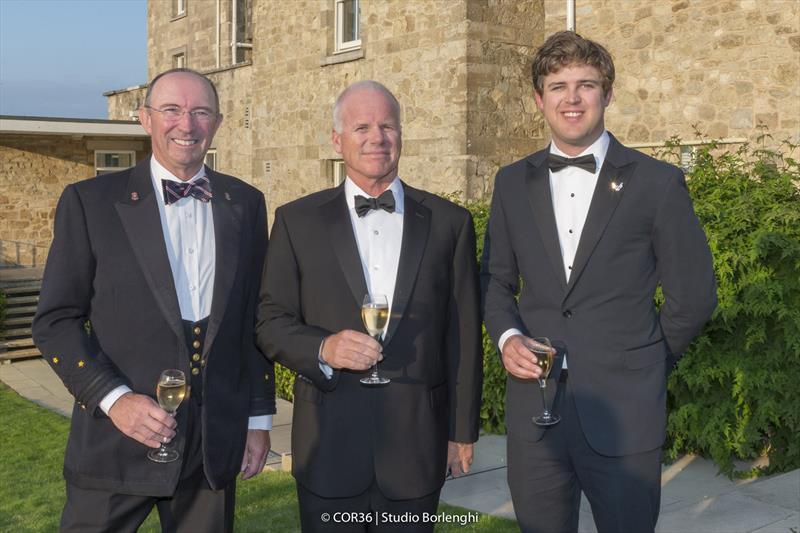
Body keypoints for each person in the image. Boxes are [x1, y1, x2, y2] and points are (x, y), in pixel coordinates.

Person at [481, 31, 717, 533]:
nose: (572, 98)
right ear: (539, 98)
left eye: (586, 85)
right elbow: (495, 283)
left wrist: (645, 363)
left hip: (625, 412)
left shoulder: (658, 183)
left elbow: (693, 297)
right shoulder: (510, 182)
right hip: (535, 417)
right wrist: (507, 338)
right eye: (558, 85)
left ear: (607, 94)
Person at [32, 68, 274, 533]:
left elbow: (252, 319)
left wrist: (258, 417)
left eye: (201, 112)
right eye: (172, 110)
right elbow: (56, 321)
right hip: (114, 442)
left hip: (211, 449)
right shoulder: (90, 202)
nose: (187, 124)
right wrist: (114, 399)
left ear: (218, 123)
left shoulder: (245, 202)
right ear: (145, 119)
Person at [256, 80, 483, 532]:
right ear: (337, 140)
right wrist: (323, 348)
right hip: (328, 444)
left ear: (401, 136)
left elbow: (463, 334)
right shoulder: (296, 220)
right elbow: (269, 321)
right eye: (361, 127)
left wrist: (461, 432)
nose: (376, 137)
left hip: (417, 444)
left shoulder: (448, 223)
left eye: (387, 126)